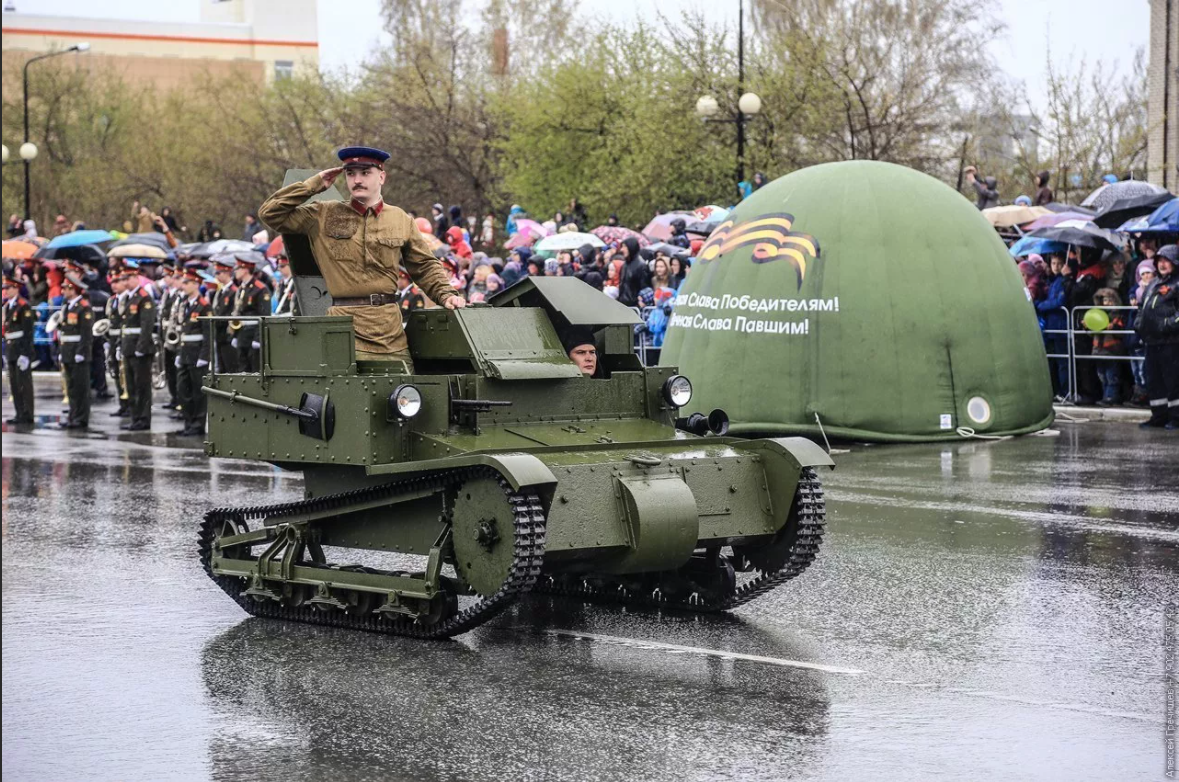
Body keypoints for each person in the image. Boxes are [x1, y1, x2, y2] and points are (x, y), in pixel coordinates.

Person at [258, 146, 465, 370]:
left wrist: (446, 294)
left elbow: (424, 265)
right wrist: (313, 185)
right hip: (342, 330)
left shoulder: (401, 219)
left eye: (365, 173)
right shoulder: (323, 214)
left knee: (404, 397)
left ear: (382, 177)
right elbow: (270, 213)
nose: (357, 180)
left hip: (389, 334)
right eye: (351, 173)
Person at [1134, 244, 1179, 428]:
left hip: (1172, 341)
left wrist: (1167, 324)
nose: (1162, 264)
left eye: (1166, 261)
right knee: (1154, 381)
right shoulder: (1153, 283)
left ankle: (1176, 417)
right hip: (1151, 341)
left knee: (1174, 381)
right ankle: (1159, 416)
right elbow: (1141, 305)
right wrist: (1138, 323)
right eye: (1159, 261)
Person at [174, 269, 212, 436]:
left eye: (186, 282)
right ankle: (188, 421)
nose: (183, 286)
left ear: (196, 284)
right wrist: (178, 353)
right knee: (183, 390)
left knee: (198, 392)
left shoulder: (204, 306)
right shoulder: (184, 303)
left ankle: (198, 423)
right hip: (184, 353)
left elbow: (208, 334)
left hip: (197, 354)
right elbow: (181, 330)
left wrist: (205, 356)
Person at [120, 267, 157, 431]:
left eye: (128, 278)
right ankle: (136, 418)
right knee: (132, 386)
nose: (125, 282)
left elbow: (146, 325)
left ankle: (143, 418)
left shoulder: (143, 298)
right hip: (129, 347)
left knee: (142, 386)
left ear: (136, 278)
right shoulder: (130, 297)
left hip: (140, 349)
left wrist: (141, 347)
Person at [57, 273, 94, 430]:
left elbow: (86, 334)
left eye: (65, 288)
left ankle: (81, 417)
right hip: (67, 351)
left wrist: (82, 352)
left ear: (73, 289)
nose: (63, 291)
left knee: (81, 388)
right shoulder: (67, 306)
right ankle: (73, 415)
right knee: (71, 387)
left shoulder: (84, 307)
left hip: (79, 352)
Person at [3, 272, 36, 425]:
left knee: (24, 383)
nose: (6, 291)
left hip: (20, 348)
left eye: (8, 288)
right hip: (11, 349)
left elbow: (28, 332)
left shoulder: (24, 306)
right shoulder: (7, 306)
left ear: (16, 288)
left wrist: (25, 354)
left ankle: (28, 414)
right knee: (15, 384)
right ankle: (19, 413)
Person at [229, 255, 270, 372]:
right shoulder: (242, 288)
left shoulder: (260, 288)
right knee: (243, 368)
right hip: (242, 333)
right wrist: (236, 335)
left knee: (255, 369)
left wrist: (258, 338)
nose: (235, 272)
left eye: (237, 269)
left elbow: (264, 315)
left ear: (246, 269)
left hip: (253, 334)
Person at [1091, 287, 1128, 406]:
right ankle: (1105, 396)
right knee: (1101, 375)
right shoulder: (1096, 315)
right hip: (1098, 350)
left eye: (1110, 300)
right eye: (1105, 300)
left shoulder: (1117, 316)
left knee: (1112, 376)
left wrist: (1114, 327)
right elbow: (1091, 334)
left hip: (1112, 350)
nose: (1107, 303)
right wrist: (1087, 326)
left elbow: (1121, 332)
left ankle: (1111, 397)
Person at [105, 269, 130, 417]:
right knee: (116, 372)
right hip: (113, 339)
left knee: (126, 374)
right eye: (112, 282)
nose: (114, 285)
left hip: (124, 339)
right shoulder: (112, 300)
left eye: (117, 282)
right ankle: (122, 403)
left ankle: (130, 404)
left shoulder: (128, 299)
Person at [209, 259, 240, 373]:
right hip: (220, 334)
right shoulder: (220, 291)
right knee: (221, 369)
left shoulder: (233, 291)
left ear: (227, 273)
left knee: (231, 367)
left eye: (219, 273)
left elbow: (232, 312)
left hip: (228, 334)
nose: (216, 275)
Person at [617, 237, 649, 307]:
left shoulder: (641, 265)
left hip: (634, 306)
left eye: (624, 247)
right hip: (623, 304)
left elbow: (644, 288)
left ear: (631, 247)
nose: (622, 249)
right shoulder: (624, 265)